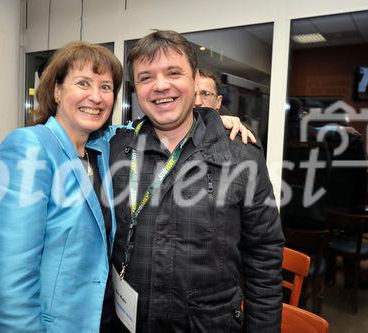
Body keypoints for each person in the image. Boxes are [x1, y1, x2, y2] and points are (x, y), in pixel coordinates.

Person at [0, 41, 254, 333]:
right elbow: (7, 281)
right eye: (83, 83)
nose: (96, 97)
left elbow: (158, 121)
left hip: (102, 320)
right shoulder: (29, 147)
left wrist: (210, 122)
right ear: (57, 90)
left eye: (106, 87)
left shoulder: (100, 149)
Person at [110, 30, 284, 332]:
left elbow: (264, 258)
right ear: (136, 90)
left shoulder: (240, 155)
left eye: (173, 72)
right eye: (146, 77)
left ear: (195, 79)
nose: (160, 86)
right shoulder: (116, 151)